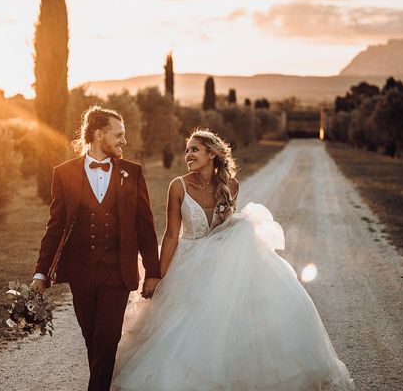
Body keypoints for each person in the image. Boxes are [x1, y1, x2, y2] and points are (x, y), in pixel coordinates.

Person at [112, 129, 355, 391]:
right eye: (187, 150)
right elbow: (171, 235)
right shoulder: (178, 186)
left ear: (212, 153)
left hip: (221, 263)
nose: (188, 155)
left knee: (226, 321)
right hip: (187, 260)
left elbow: (226, 229)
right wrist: (159, 275)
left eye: (194, 149)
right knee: (180, 322)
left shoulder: (231, 186)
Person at [32, 105, 161, 391]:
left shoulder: (133, 172)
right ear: (99, 134)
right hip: (81, 272)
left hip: (118, 272)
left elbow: (145, 226)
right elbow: (54, 227)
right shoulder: (64, 174)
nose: (123, 141)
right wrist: (41, 272)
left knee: (106, 339)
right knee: (92, 338)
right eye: (119, 135)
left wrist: (153, 271)